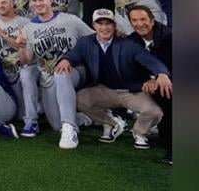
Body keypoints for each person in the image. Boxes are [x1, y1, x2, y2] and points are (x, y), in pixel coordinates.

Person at [58, 9, 171, 150]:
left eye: (108, 23)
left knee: (154, 112)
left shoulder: (128, 43)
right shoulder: (86, 42)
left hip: (131, 91)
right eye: (100, 23)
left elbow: (150, 61)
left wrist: (162, 73)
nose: (104, 27)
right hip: (106, 90)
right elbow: (73, 55)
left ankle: (139, 132)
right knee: (79, 99)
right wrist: (66, 60)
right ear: (94, 25)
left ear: (115, 26)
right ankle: (112, 123)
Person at [14, 0, 95, 148]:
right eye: (34, 0)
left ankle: (70, 128)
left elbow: (93, 39)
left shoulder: (70, 20)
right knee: (56, 125)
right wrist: (20, 47)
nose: (38, 3)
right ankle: (81, 118)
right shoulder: (28, 28)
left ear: (50, 0)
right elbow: (26, 60)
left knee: (61, 73)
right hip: (48, 76)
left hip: (74, 71)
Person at [128, 4, 173, 164]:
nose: (139, 24)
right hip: (149, 85)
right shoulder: (132, 40)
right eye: (134, 20)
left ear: (152, 21)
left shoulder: (169, 37)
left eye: (143, 19)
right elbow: (131, 68)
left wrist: (160, 77)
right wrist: (146, 81)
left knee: (167, 92)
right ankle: (166, 138)